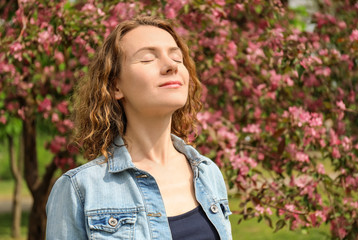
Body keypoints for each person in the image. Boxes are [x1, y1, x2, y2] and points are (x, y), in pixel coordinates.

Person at [46, 16, 232, 240]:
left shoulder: (208, 173)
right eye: (147, 59)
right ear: (115, 86)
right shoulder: (79, 189)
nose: (171, 66)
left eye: (177, 57)